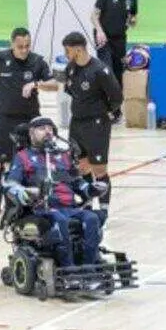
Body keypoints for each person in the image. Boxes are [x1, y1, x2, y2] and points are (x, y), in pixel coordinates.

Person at [3, 117, 107, 276]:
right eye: (42, 129)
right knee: (60, 220)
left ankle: (89, 267)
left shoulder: (63, 156)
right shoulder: (23, 157)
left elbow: (77, 182)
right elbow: (10, 184)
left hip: (69, 207)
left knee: (92, 218)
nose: (47, 132)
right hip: (42, 208)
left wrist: (91, 189)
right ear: (31, 133)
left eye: (50, 128)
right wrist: (24, 192)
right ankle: (68, 268)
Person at [0, 27, 56, 223]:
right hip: (5, 119)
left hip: (30, 121)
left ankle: (32, 206)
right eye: (20, 46)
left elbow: (55, 84)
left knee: (32, 162)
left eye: (27, 46)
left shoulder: (37, 61)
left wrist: (37, 84)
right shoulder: (1, 58)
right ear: (12, 44)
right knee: (0, 163)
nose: (24, 50)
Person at [62, 31, 123, 220]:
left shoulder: (100, 70)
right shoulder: (71, 68)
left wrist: (105, 111)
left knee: (99, 169)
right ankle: (87, 207)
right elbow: (70, 90)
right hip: (77, 123)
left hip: (96, 125)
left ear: (78, 50)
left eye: (68, 51)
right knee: (81, 167)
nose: (65, 54)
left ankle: (103, 212)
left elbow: (117, 97)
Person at [92, 0, 138, 92]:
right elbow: (94, 16)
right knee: (107, 69)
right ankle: (103, 98)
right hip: (104, 38)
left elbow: (133, 17)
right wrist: (99, 31)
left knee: (119, 71)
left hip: (120, 38)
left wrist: (132, 21)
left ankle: (117, 101)